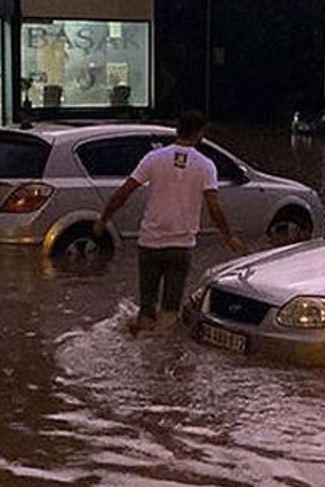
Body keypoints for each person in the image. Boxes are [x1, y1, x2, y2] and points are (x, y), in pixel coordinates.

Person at [94, 111, 244, 335]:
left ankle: (142, 355)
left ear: (177, 129)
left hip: (149, 244)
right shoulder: (205, 165)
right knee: (170, 312)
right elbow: (214, 208)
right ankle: (163, 362)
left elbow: (122, 194)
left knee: (146, 310)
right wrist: (229, 237)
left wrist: (103, 219)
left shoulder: (154, 158)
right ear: (201, 134)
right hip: (180, 246)